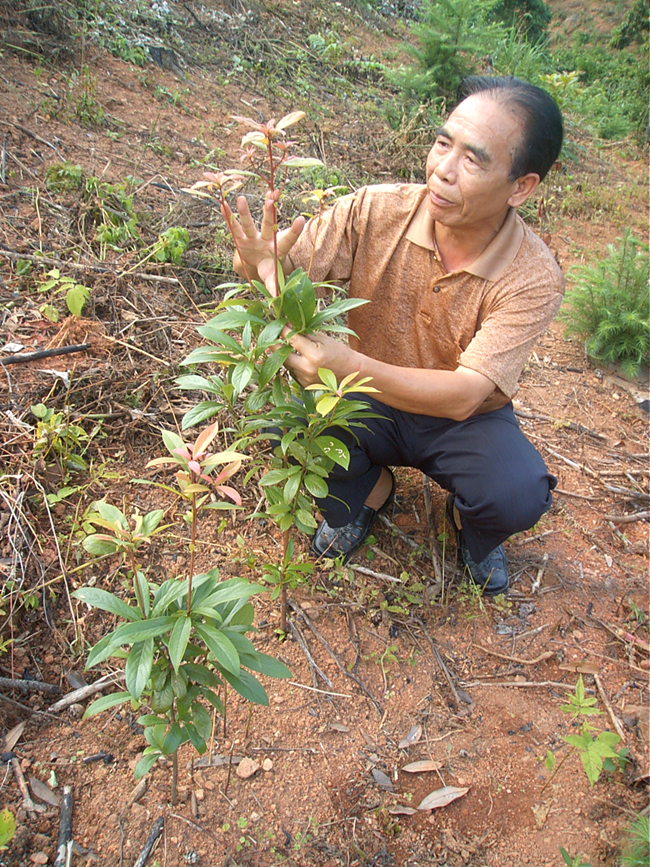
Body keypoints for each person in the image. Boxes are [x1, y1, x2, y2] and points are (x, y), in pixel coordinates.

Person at [224, 75, 565, 595]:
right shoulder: (375, 210)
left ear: (522, 186)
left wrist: (344, 366)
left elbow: (466, 394)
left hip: (460, 417)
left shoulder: (533, 274)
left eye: (473, 160)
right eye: (442, 143)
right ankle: (368, 491)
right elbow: (278, 270)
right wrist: (255, 261)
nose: (442, 171)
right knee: (283, 421)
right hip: (362, 399)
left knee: (514, 493)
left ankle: (471, 525)